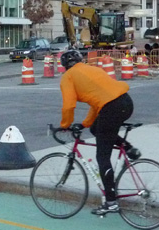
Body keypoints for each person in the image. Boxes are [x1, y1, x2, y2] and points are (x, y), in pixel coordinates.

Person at [58, 49, 141, 215]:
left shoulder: (68, 77)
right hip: (125, 102)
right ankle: (129, 148)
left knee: (102, 157)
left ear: (64, 66)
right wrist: (85, 124)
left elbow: (68, 106)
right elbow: (99, 103)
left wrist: (65, 125)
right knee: (96, 128)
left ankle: (111, 202)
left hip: (111, 108)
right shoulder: (93, 69)